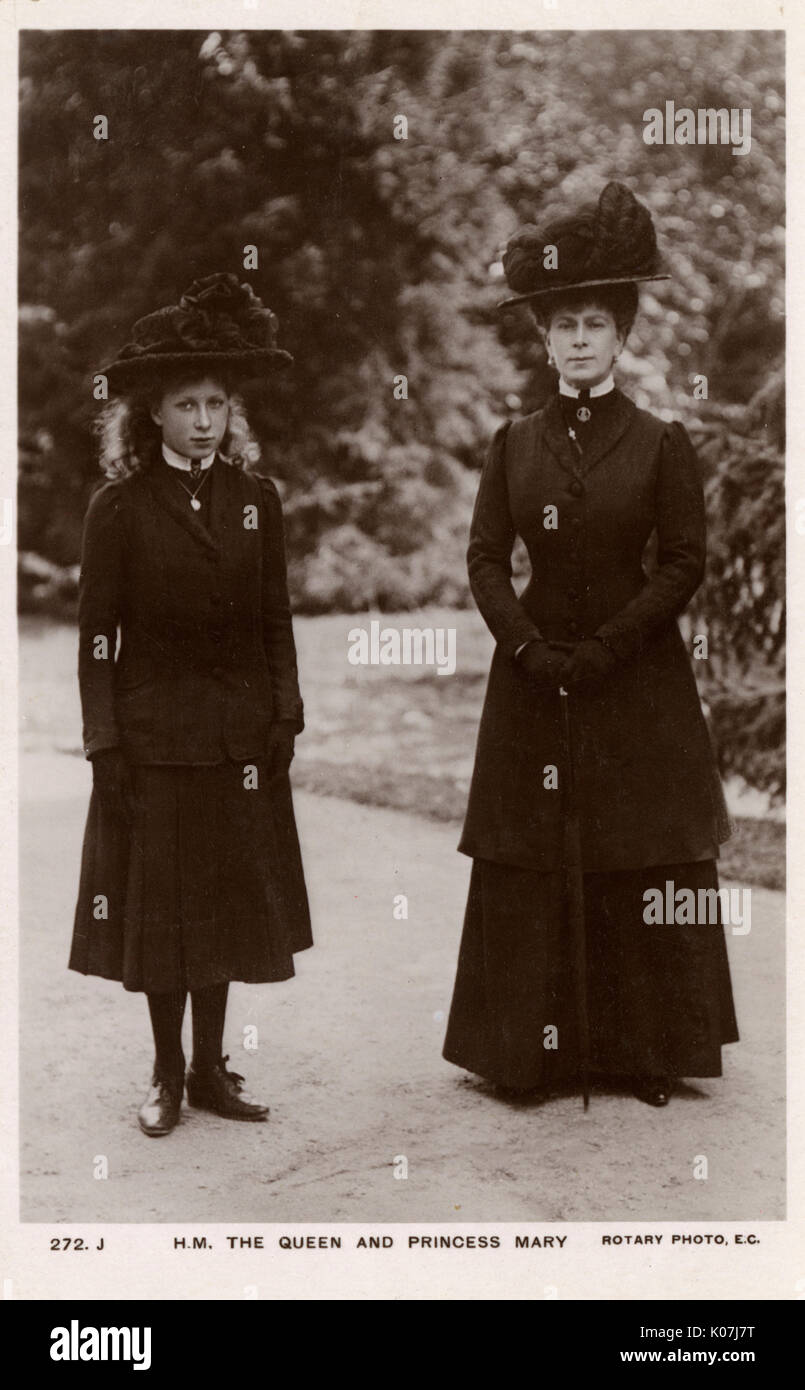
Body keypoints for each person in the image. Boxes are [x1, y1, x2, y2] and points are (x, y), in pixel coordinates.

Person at [442, 182, 738, 1107]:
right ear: (542, 340)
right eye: (561, 324)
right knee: (531, 851)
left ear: (620, 336)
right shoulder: (512, 444)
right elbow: (486, 557)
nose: (576, 339)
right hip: (533, 678)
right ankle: (529, 1054)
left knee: (634, 846)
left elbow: (683, 562)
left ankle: (639, 1050)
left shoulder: (660, 443)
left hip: (633, 675)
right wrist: (525, 646)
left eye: (594, 324)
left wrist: (610, 645)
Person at [69, 272, 312, 1136]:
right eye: (185, 405)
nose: (204, 420)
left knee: (227, 910)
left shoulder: (257, 501)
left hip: (239, 742)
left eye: (215, 403)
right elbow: (98, 640)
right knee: (164, 916)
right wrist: (104, 746)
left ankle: (211, 1069)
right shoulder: (120, 509)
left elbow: (275, 616)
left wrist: (286, 712)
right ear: (151, 416)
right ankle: (167, 1073)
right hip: (154, 743)